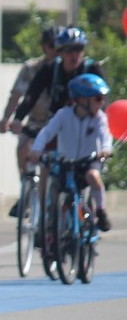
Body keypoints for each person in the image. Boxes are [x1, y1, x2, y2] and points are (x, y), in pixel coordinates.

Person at [28, 73, 114, 232]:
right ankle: (53, 231)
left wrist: (105, 150)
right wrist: (36, 150)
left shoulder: (99, 119)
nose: (101, 103)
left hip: (89, 161)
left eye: (102, 98)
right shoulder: (63, 115)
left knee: (93, 176)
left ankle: (101, 211)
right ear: (82, 100)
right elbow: (47, 132)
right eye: (97, 99)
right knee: (54, 192)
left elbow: (105, 136)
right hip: (66, 162)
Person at [0, 24, 60, 217]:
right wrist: (7, 119)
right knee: (23, 149)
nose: (55, 51)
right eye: (51, 45)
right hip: (34, 122)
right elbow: (17, 96)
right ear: (43, 47)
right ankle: (26, 188)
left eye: (59, 46)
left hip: (58, 125)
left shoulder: (65, 69)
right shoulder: (32, 68)